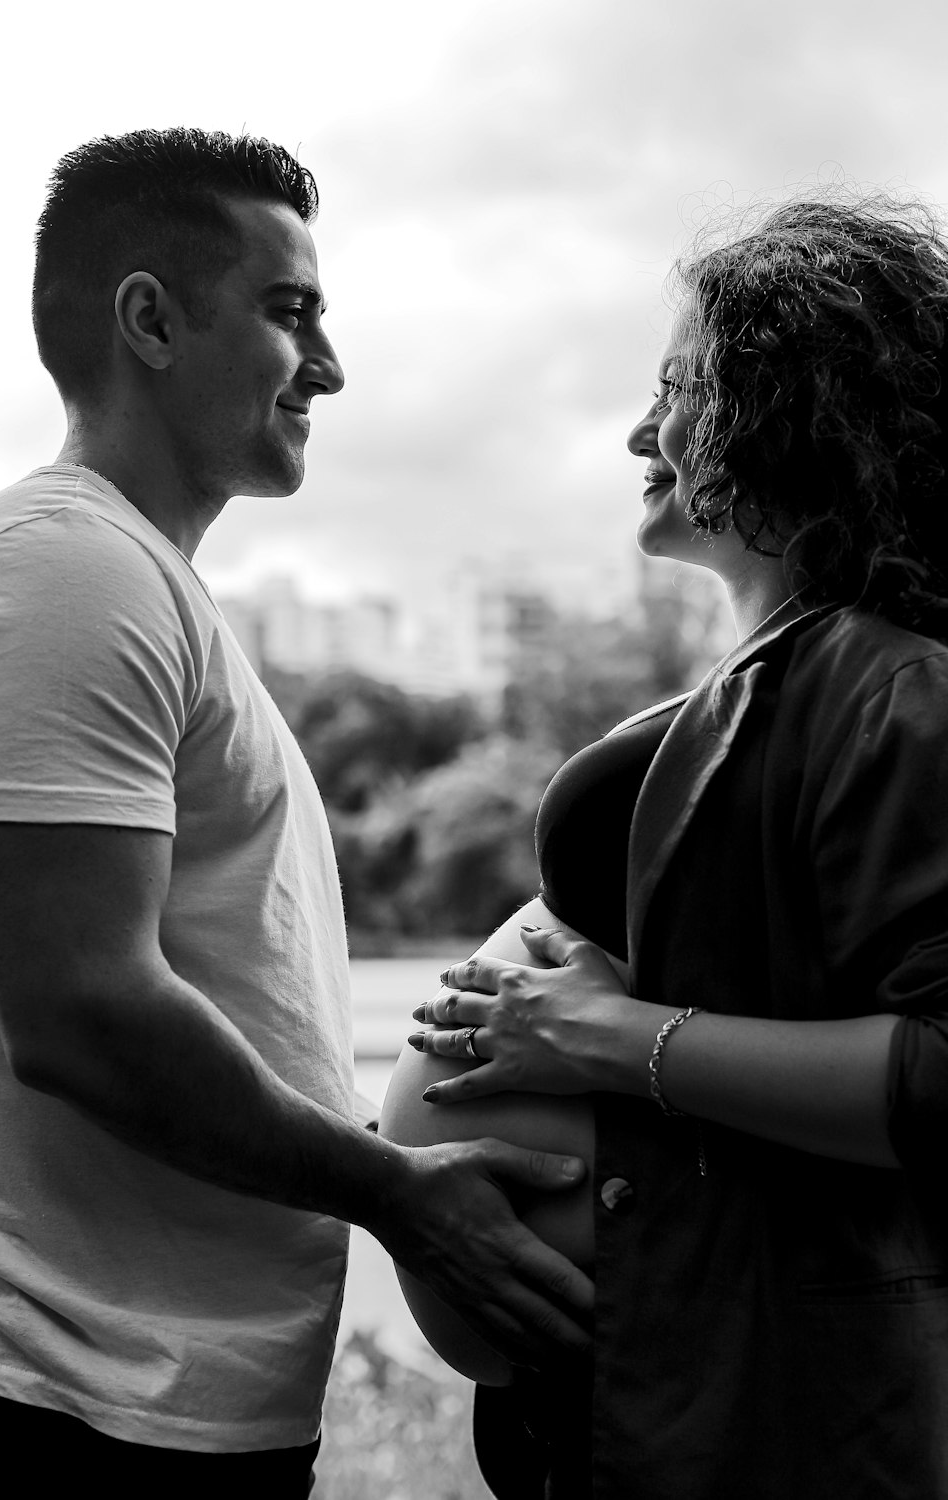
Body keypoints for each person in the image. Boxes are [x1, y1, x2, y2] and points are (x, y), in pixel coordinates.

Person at [0, 126, 594, 1487]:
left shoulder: (142, 588)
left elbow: (217, 998)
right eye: (290, 310)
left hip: (160, 1396)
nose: (333, 366)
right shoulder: (66, 571)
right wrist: (398, 1198)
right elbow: (82, 1008)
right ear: (150, 320)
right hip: (60, 1399)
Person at [402, 195, 948, 1498]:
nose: (643, 433)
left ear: (783, 405)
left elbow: (939, 1071)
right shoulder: (797, 664)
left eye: (678, 390)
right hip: (650, 1377)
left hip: (776, 1414)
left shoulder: (899, 693)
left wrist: (595, 1039)